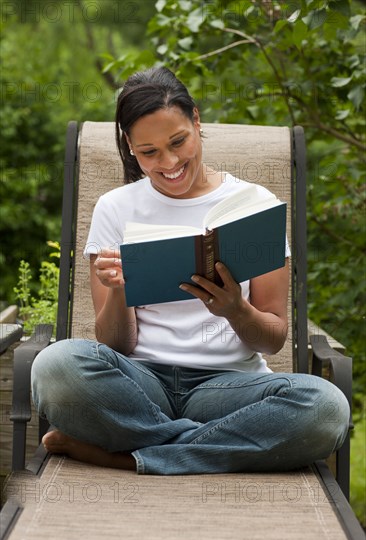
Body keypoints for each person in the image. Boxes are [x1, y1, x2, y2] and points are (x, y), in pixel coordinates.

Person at [31, 67, 349, 475]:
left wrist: (236, 309)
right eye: (148, 153)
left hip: (229, 386)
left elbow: (272, 340)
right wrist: (119, 291)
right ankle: (215, 443)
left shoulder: (256, 204)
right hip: (138, 383)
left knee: (325, 409)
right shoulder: (115, 208)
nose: (169, 163)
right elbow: (116, 345)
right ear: (129, 147)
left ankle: (126, 455)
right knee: (54, 367)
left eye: (178, 142)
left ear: (196, 120)